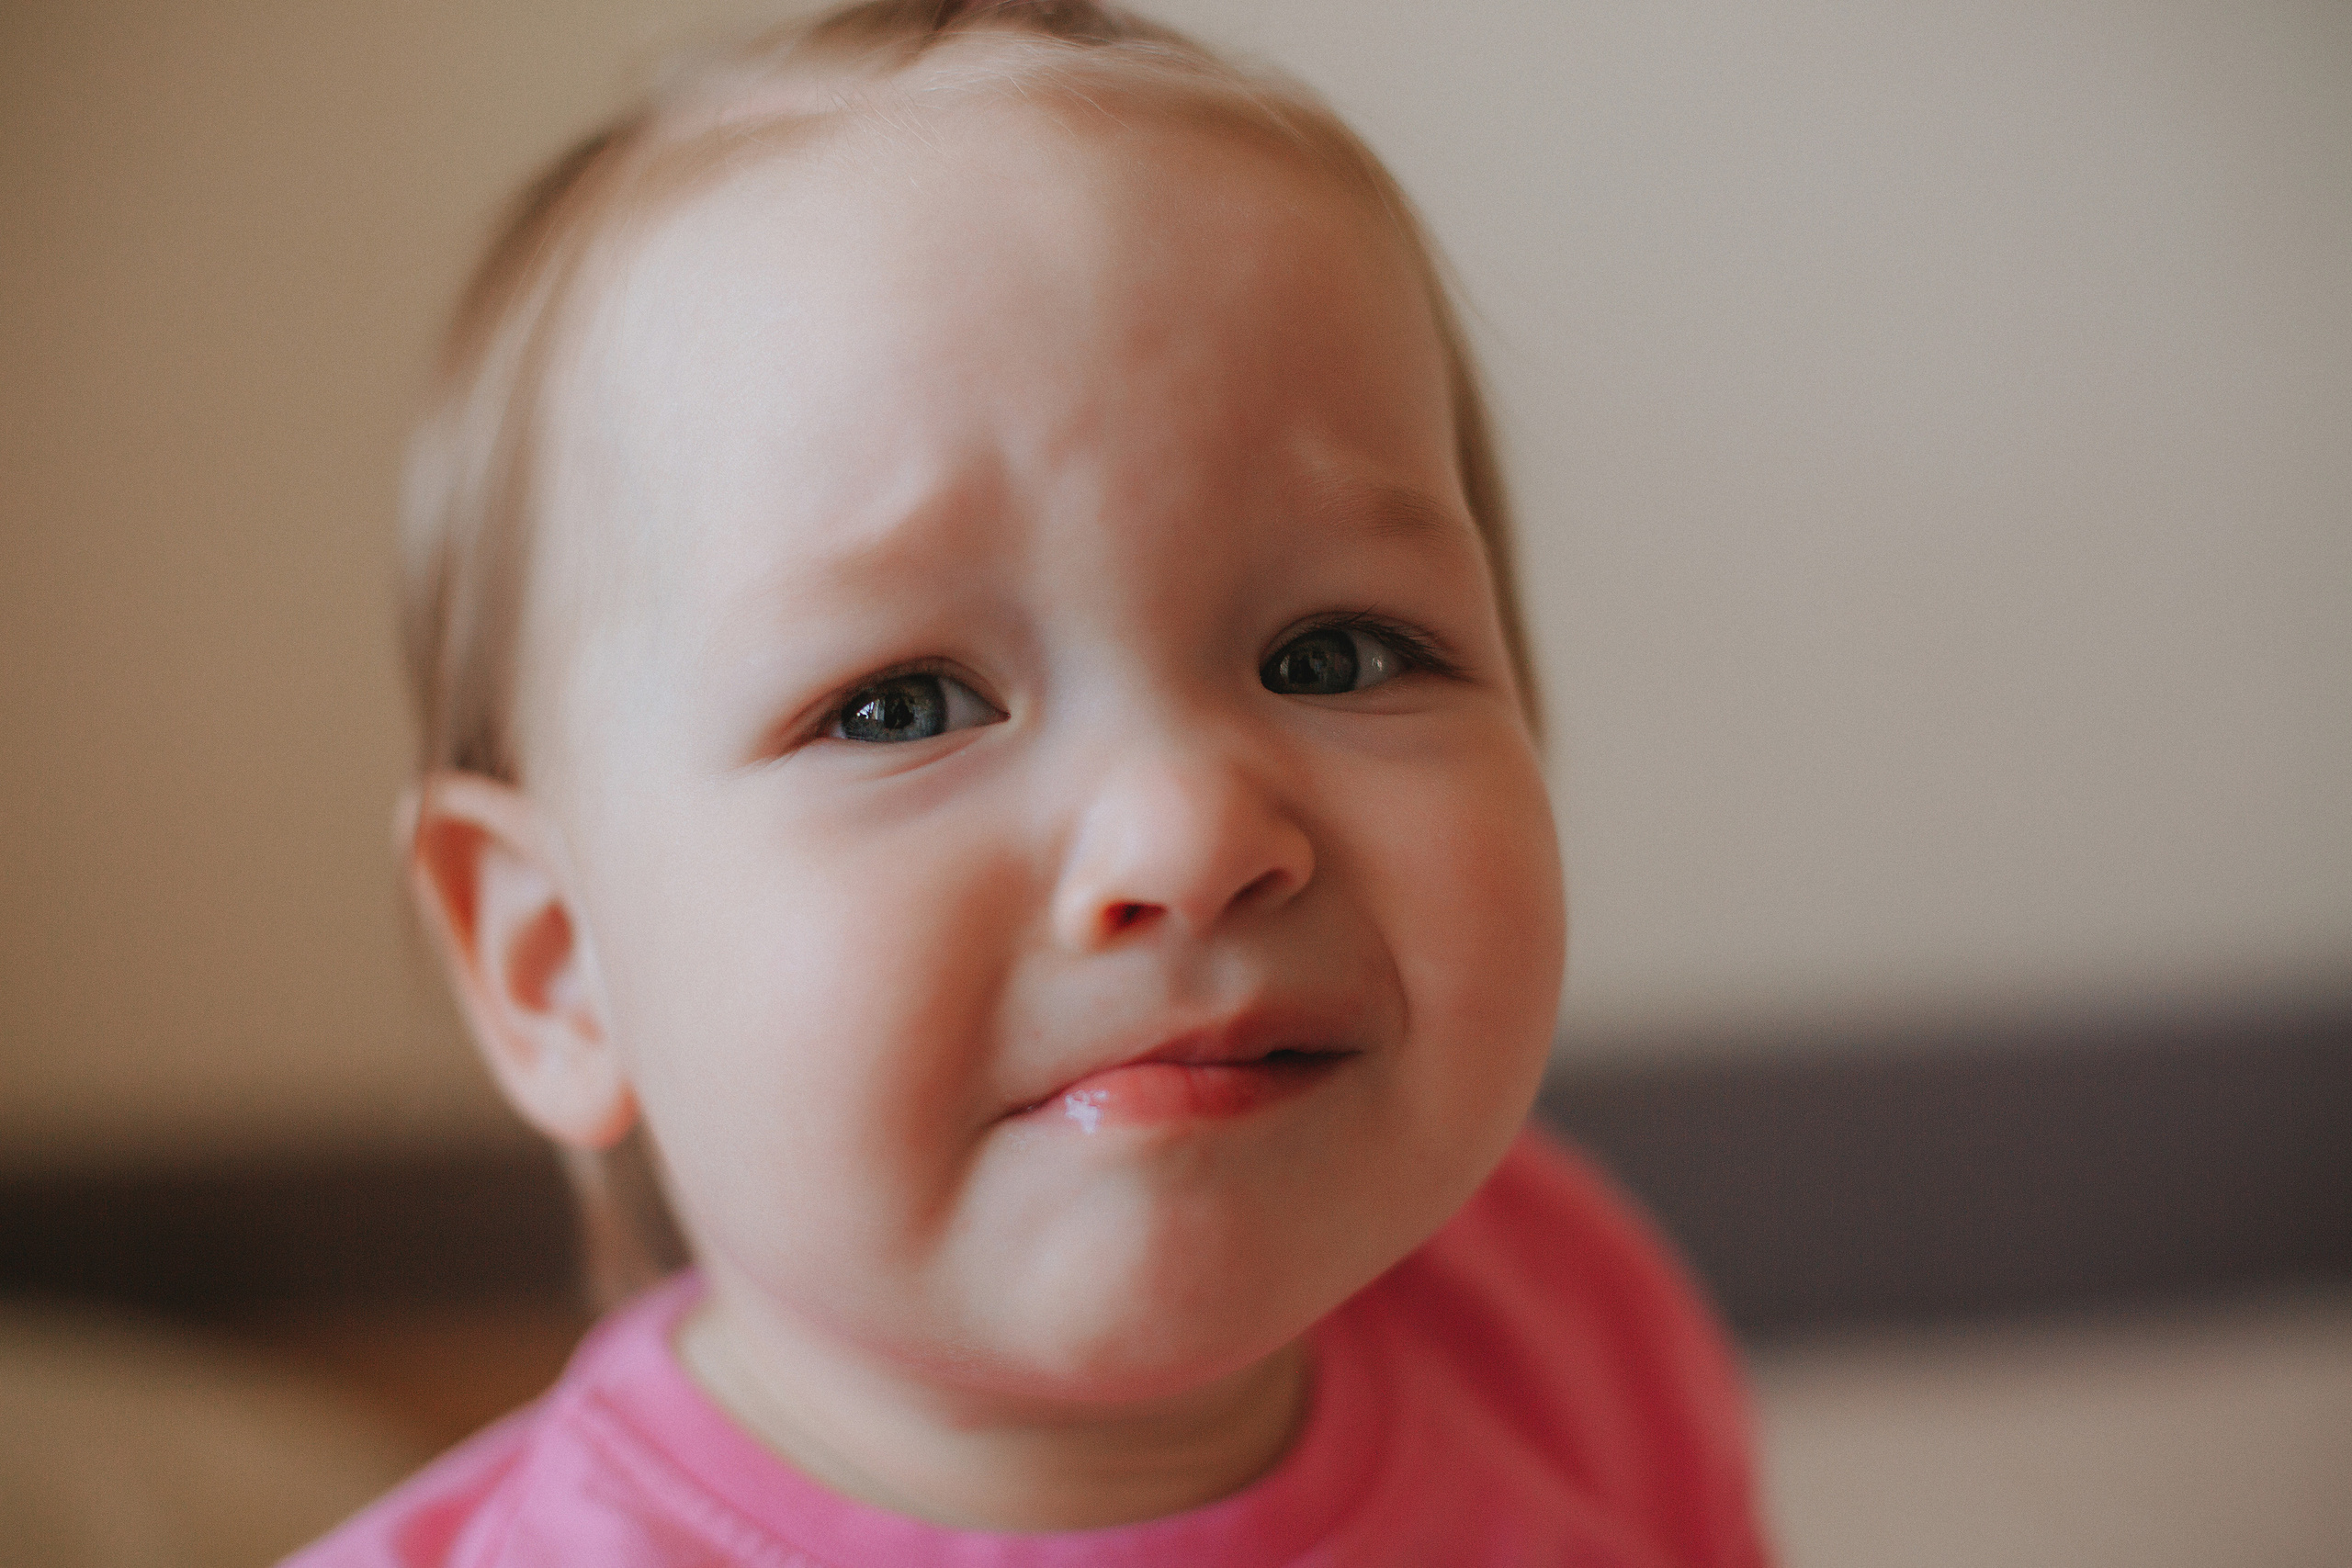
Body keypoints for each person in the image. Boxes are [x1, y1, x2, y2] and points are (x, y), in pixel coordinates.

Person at [292, 2, 1770, 1562]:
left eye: (1335, 653)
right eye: (900, 705)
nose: (1191, 832)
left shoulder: (1562, 1327)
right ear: (556, 965)